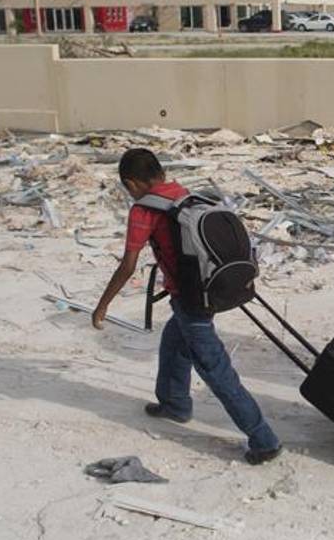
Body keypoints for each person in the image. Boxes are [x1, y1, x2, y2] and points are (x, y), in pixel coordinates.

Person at [92, 148, 282, 465]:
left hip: (192, 299)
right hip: (208, 287)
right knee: (173, 344)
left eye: (128, 188)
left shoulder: (144, 210)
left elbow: (128, 266)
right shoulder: (183, 195)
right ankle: (174, 403)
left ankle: (264, 440)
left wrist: (102, 306)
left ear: (131, 183)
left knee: (215, 370)